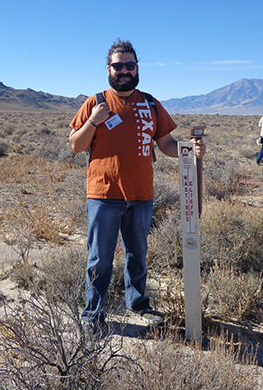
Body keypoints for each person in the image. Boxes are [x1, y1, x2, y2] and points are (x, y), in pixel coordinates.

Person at [69, 39, 206, 331]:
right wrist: (93, 122)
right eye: (118, 66)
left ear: (137, 68)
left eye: (129, 65)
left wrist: (188, 150)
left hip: (142, 195)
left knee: (137, 255)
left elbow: (166, 143)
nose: (124, 71)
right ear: (108, 69)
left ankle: (139, 305)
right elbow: (76, 145)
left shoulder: (151, 104)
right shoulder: (96, 102)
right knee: (99, 259)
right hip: (104, 195)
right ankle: (92, 315)